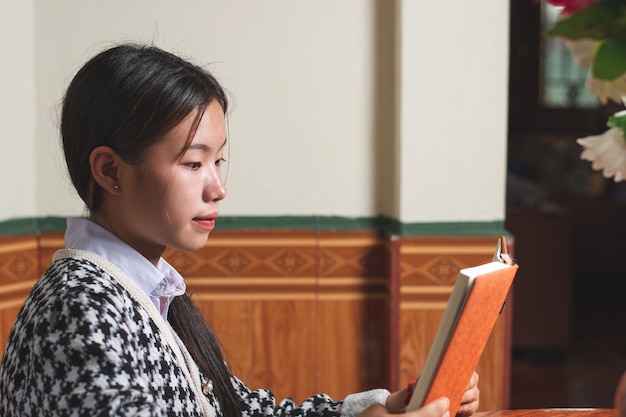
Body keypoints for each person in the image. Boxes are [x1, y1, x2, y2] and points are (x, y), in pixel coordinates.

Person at [0, 43, 480, 417]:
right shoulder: (80, 309)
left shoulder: (144, 290)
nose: (218, 188)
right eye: (193, 163)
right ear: (110, 171)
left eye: (219, 160)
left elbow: (239, 409)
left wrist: (385, 404)